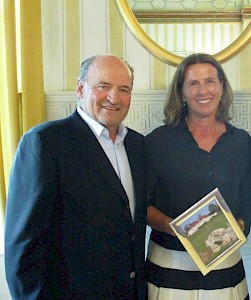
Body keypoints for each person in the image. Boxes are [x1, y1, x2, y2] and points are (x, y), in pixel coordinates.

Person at [4, 55, 148, 299]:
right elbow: (23, 245)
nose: (114, 97)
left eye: (124, 89)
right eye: (103, 86)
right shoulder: (45, 142)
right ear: (80, 89)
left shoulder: (138, 145)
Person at [145, 53, 251, 299]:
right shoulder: (157, 142)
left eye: (210, 81)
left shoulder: (241, 142)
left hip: (225, 265)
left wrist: (239, 226)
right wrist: (177, 230)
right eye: (193, 83)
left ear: (221, 87)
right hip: (169, 265)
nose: (203, 90)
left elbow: (248, 200)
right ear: (181, 93)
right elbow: (142, 205)